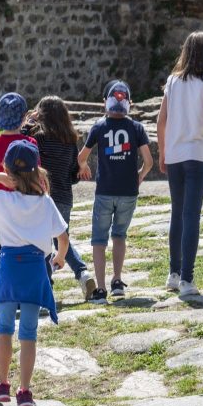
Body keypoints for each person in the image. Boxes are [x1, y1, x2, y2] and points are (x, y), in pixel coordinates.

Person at [0, 140, 68, 406]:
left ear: (8, 169)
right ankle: (25, 391)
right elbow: (62, 238)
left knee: (4, 328)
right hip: (35, 270)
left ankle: (1, 385)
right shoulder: (45, 203)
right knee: (29, 332)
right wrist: (59, 257)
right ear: (36, 170)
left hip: (9, 268)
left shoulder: (0, 200)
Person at [155, 31, 203, 297]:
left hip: (174, 154)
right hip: (197, 154)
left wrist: (163, 152)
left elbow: (161, 121)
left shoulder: (173, 81)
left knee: (177, 213)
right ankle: (188, 278)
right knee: (191, 216)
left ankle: (173, 273)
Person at [78, 80, 153, 303]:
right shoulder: (136, 128)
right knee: (119, 235)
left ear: (105, 102)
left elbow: (81, 157)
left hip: (105, 191)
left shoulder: (99, 127)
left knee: (99, 240)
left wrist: (83, 166)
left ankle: (100, 288)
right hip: (128, 192)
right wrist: (138, 177)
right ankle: (117, 281)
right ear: (130, 103)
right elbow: (148, 161)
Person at [23, 95, 95, 301]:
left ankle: (48, 283)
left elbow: (23, 145)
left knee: (43, 242)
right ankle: (83, 274)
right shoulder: (70, 141)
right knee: (62, 240)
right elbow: (73, 176)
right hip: (64, 197)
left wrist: (28, 124)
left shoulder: (38, 138)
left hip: (42, 196)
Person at [0, 92, 39, 297]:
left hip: (2, 205)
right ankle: (27, 288)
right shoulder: (31, 143)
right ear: (24, 115)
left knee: (1, 246)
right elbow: (36, 173)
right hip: (25, 202)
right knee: (27, 247)